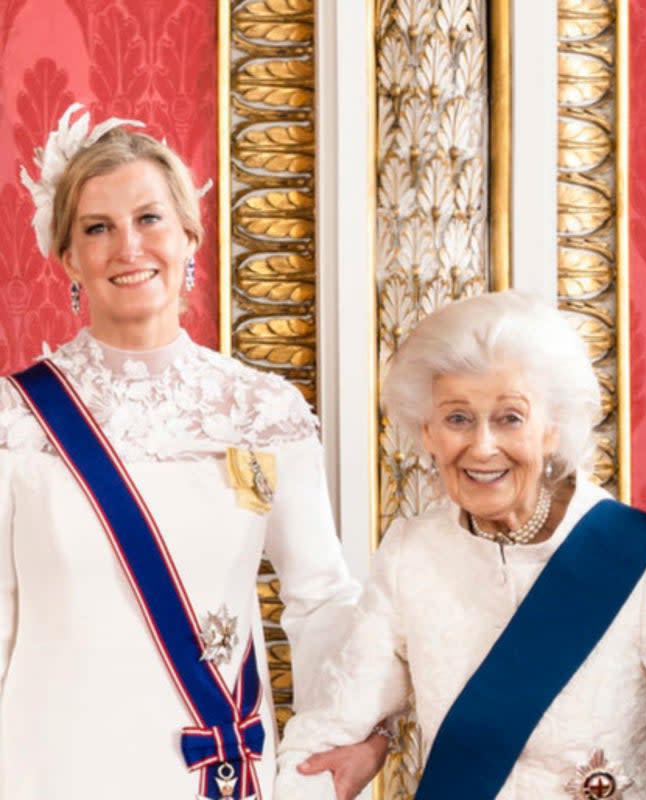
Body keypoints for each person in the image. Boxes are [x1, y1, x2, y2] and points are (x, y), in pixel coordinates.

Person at [0, 105, 374, 799]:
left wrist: (338, 746)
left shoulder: (261, 411)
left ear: (190, 235)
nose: (128, 247)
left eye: (149, 219)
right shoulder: (14, 421)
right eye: (97, 228)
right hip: (49, 768)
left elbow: (320, 600)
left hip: (210, 772)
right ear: (68, 257)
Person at [274, 290, 646, 799]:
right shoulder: (410, 555)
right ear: (428, 432)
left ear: (551, 429)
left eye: (510, 417)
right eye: (458, 418)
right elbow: (330, 730)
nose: (482, 447)